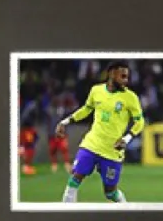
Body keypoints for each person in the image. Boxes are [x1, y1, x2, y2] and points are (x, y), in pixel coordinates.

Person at [55, 61, 145, 204]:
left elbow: (140, 122)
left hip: (112, 150)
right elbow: (86, 109)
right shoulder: (96, 90)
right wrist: (65, 122)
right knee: (75, 178)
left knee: (110, 193)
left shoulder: (130, 97)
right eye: (122, 76)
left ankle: (126, 209)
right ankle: (67, 213)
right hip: (92, 144)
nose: (126, 80)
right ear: (111, 74)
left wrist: (126, 139)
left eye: (127, 77)